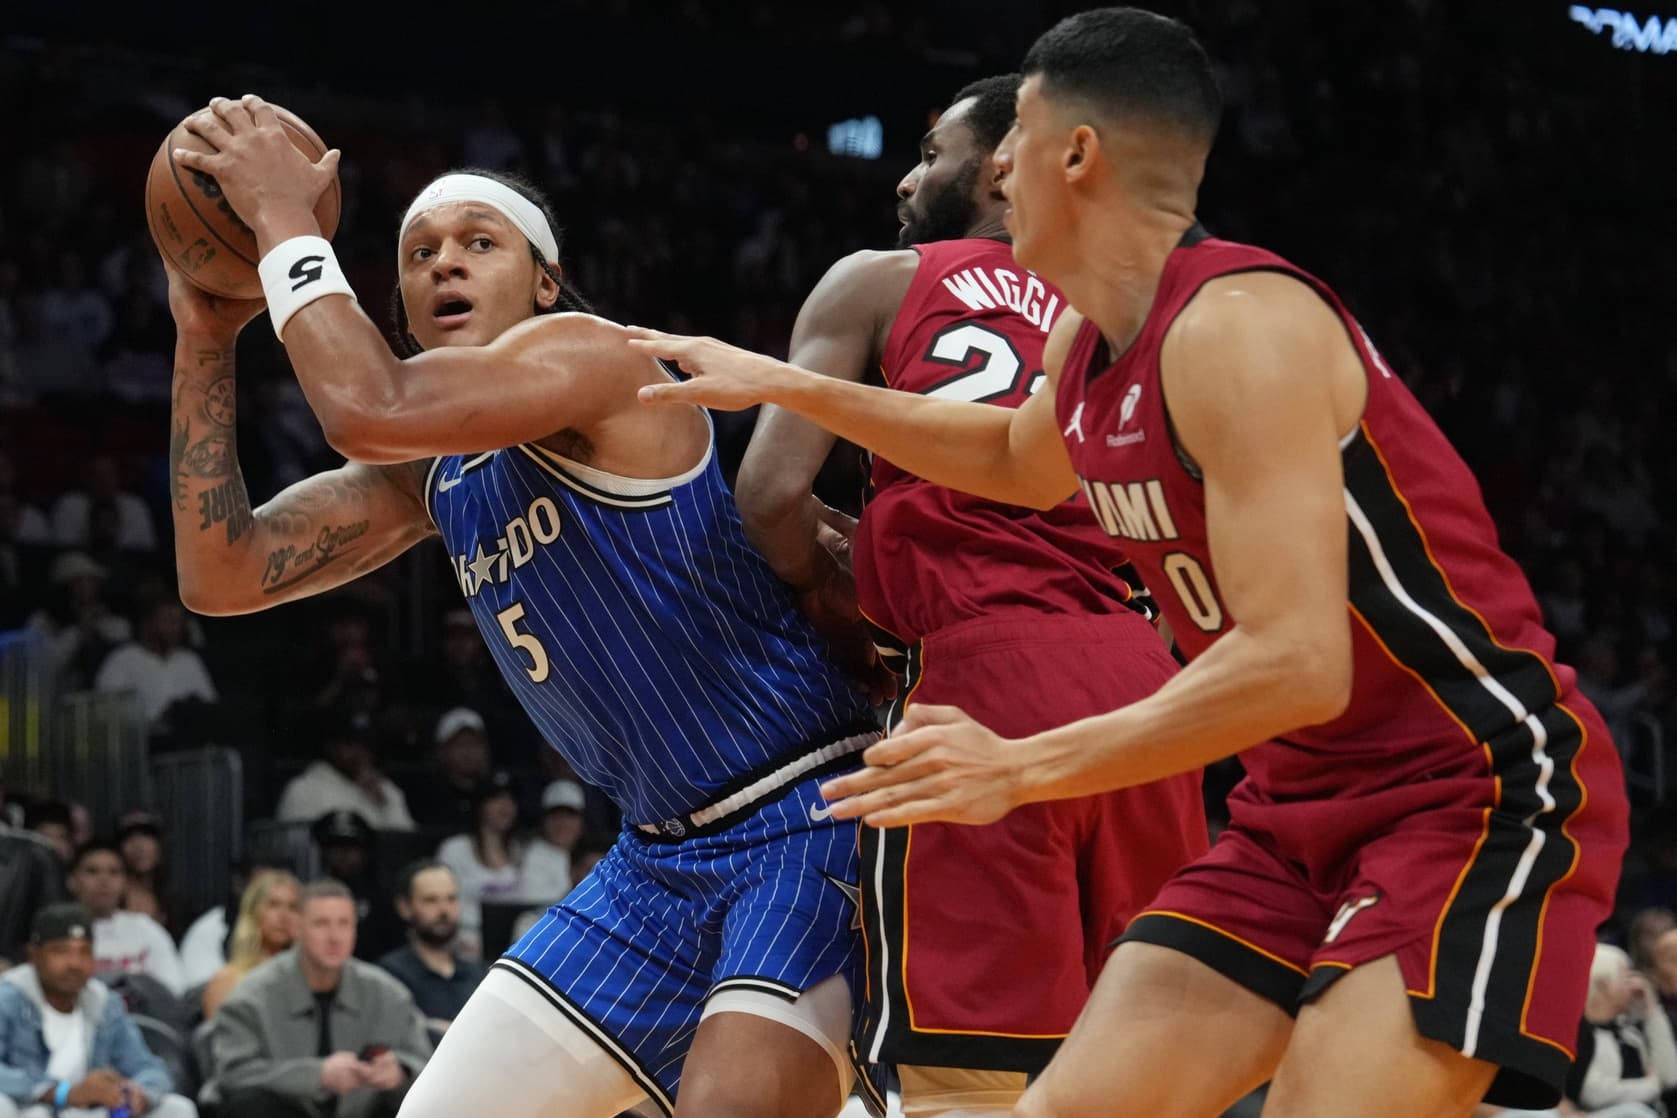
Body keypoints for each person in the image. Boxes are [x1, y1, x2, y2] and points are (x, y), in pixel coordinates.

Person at [631, 9, 1631, 1116]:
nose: (994, 160)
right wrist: (786, 384)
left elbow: (1299, 665)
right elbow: (1013, 458)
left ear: (1074, 155)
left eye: (1016, 133)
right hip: (1296, 807)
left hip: (1471, 791)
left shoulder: (1238, 330)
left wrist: (1020, 764)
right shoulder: (1090, 337)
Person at [166, 95, 880, 1118]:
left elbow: (367, 406)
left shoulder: (600, 358)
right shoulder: (439, 476)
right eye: (418, 253)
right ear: (402, 312)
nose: (443, 261)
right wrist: (203, 330)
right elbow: (222, 574)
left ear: (544, 279)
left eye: (477, 240)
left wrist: (280, 216)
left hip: (805, 815)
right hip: (655, 862)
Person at [706, 72, 1206, 1115]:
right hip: (1146, 692)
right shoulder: (1131, 306)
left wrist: (832, 597)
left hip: (981, 678)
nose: (905, 178)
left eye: (929, 152)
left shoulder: (878, 279)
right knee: (1150, 1074)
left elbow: (768, 493)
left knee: (968, 1079)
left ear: (993, 166)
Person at [208, 881, 430, 1118]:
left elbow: (428, 1066)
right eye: (321, 924)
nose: (334, 937)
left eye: (344, 924)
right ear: (297, 928)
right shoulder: (253, 996)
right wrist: (317, 1075)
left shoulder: (389, 994)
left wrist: (400, 1072)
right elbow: (232, 1075)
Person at [0, 903, 197, 1118]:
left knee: (177, 1108)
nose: (74, 963)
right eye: (61, 951)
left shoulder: (104, 1002)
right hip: (31, 1107)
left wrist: (139, 1093)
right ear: (34, 955)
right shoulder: (9, 998)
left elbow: (148, 1067)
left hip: (87, 1110)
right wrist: (61, 1093)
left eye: (84, 951)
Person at [376, 862, 487, 1035]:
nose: (444, 910)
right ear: (404, 907)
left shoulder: (480, 974)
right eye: (430, 900)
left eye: (451, 899)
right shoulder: (388, 975)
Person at [65, 842, 184, 996]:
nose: (104, 880)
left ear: (125, 881)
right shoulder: (59, 931)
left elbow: (173, 990)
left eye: (114, 872)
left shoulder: (146, 928)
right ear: (72, 881)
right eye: (92, 871)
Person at [276, 708, 415, 833]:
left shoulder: (387, 791)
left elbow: (405, 845)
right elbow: (295, 847)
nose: (359, 752)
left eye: (366, 745)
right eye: (350, 745)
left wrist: (385, 803)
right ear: (331, 747)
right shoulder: (303, 789)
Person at [434, 772, 524, 961]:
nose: (505, 806)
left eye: (510, 799)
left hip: (513, 944)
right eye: (495, 798)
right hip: (465, 944)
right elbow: (443, 902)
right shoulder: (454, 850)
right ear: (480, 805)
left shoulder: (521, 851)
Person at [202, 869, 301, 1019]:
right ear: (253, 911)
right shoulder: (227, 981)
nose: (284, 916)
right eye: (273, 905)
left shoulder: (309, 981)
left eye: (293, 907)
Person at [403, 709, 491, 834]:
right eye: (460, 745)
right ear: (442, 751)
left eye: (474, 744)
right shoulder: (426, 795)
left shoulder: (493, 793)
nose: (468, 752)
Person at [114, 811, 184, 939]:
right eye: (129, 838)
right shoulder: (110, 899)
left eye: (147, 837)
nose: (139, 846)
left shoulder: (175, 903)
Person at [518, 780, 585, 904]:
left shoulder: (585, 856)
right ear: (543, 821)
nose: (563, 824)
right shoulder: (532, 857)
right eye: (556, 816)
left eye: (570, 816)